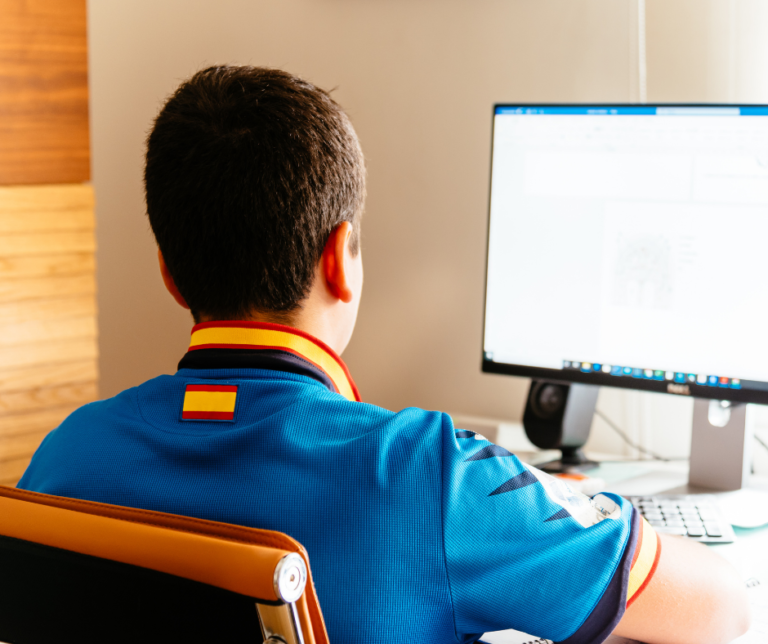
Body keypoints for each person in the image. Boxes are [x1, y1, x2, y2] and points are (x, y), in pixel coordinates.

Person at [18, 66, 749, 644]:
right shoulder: (429, 476)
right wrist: (539, 493)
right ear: (340, 257)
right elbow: (718, 609)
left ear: (169, 272)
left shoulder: (62, 461)